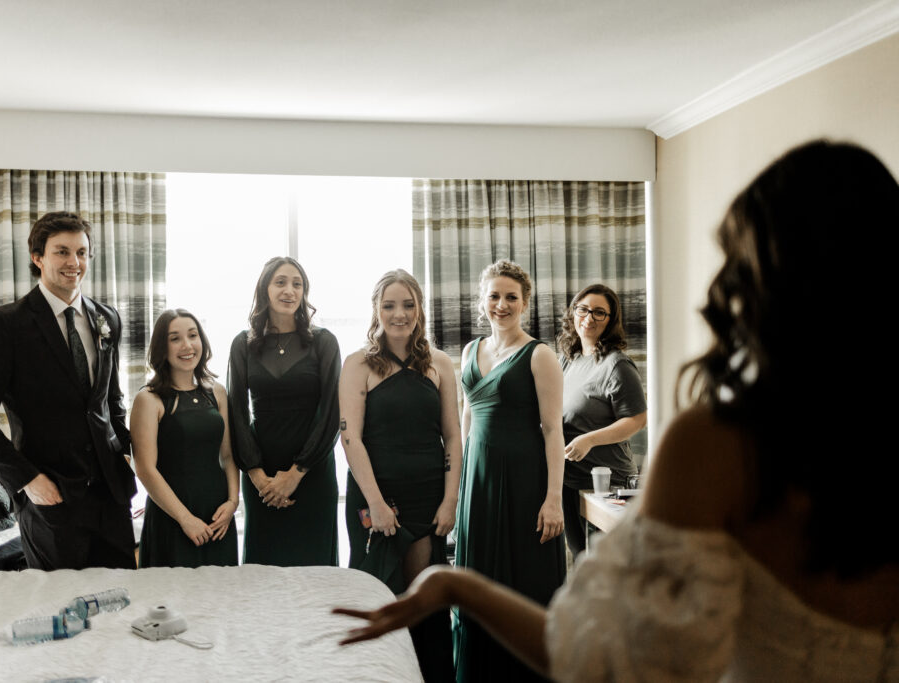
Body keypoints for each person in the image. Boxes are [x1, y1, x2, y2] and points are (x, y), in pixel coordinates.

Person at [334, 140, 899, 681]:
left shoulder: (716, 446)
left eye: (738, 267)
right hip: (483, 484)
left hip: (527, 478)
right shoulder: (478, 356)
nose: (714, 296)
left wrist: (458, 587)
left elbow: (598, 655)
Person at [0, 211, 136, 570]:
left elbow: (110, 398)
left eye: (82, 252)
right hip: (51, 498)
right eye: (62, 252)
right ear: (38, 258)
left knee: (123, 602)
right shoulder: (8, 325)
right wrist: (27, 480)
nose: (74, 262)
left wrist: (125, 450)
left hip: (111, 496)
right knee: (62, 612)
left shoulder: (107, 318)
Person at [339, 269, 461, 681]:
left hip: (428, 498)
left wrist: (450, 499)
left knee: (423, 601)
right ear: (376, 309)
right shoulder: (358, 364)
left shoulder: (440, 363)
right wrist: (375, 501)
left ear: (420, 309)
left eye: (408, 304)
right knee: (379, 596)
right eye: (389, 305)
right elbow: (350, 438)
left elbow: (453, 436)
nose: (399, 314)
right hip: (375, 497)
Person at [453, 259, 566, 682]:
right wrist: (462, 485)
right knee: (476, 580)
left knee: (523, 583)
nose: (502, 305)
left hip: (524, 484)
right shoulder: (468, 351)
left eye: (511, 297)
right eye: (494, 296)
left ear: (525, 303)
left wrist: (553, 499)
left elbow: (554, 430)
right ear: (482, 301)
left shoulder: (540, 355)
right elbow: (466, 419)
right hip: (478, 484)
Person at [226, 256, 341, 566]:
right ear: (265, 289)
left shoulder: (323, 342)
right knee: (264, 575)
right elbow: (235, 414)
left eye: (297, 284)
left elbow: (332, 413)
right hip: (261, 477)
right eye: (280, 282)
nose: (289, 290)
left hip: (312, 475)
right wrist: (257, 475)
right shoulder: (243, 345)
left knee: (315, 573)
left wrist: (296, 473)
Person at [130, 309, 239, 568]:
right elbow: (145, 469)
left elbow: (227, 456)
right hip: (173, 516)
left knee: (222, 598)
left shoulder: (217, 392)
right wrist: (185, 519)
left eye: (193, 335)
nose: (187, 345)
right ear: (161, 347)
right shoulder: (149, 399)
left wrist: (233, 502)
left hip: (218, 517)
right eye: (175, 338)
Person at [557, 284, 647, 557]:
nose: (589, 318)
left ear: (610, 321)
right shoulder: (568, 360)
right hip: (570, 479)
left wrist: (590, 439)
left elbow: (637, 419)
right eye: (583, 309)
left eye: (599, 313)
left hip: (606, 483)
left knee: (607, 564)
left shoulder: (616, 365)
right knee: (580, 555)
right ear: (573, 313)